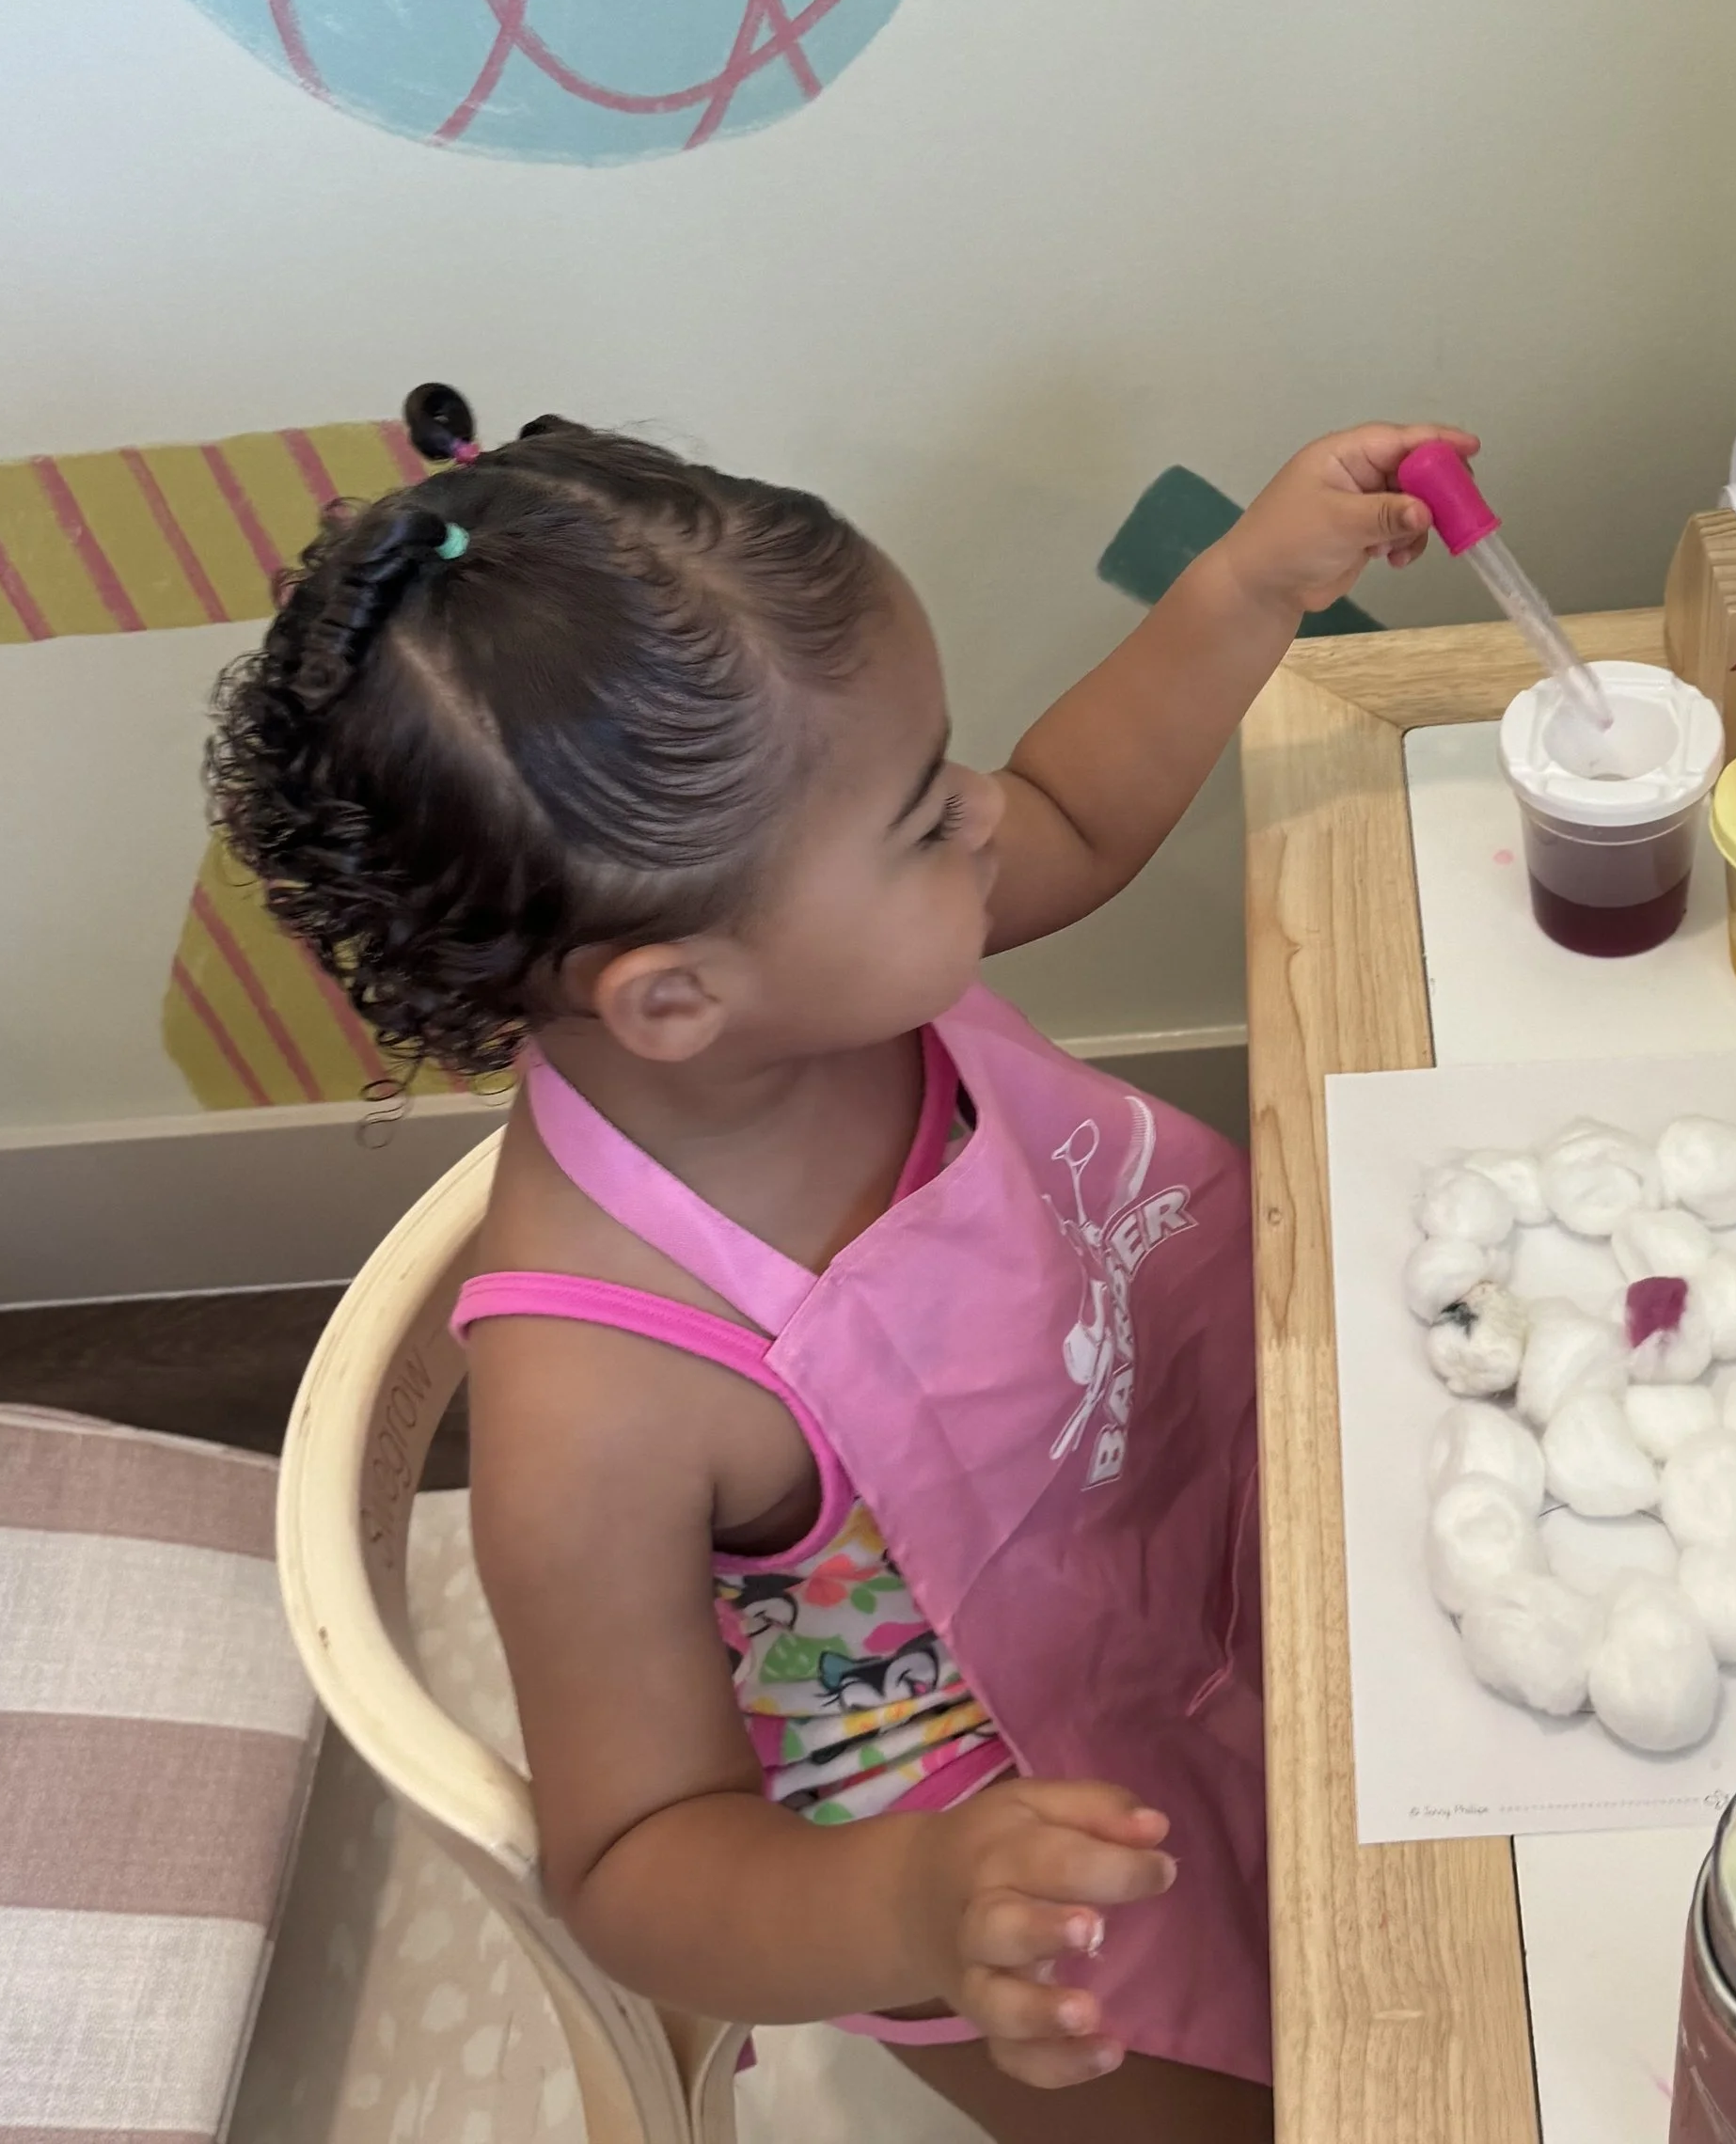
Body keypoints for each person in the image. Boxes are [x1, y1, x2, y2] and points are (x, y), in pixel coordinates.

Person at [207, 389, 1472, 2142]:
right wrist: (924, 1907)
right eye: (920, 818)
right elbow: (638, 1859)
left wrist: (1248, 585)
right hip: (999, 1819)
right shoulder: (604, 1392)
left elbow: (1076, 815)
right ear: (676, 998)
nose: (980, 816)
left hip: (1206, 1491)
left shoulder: (831, 953)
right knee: (1381, 2090)